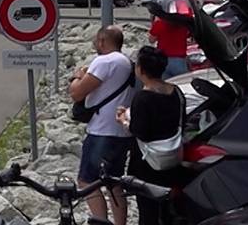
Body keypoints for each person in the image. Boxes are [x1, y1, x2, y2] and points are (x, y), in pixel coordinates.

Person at [69, 25, 135, 225]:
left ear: (102, 41)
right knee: (114, 182)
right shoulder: (127, 63)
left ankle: (100, 222)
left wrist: (76, 77)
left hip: (102, 131)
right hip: (121, 130)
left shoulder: (104, 61)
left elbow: (76, 93)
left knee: (87, 181)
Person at [116, 46, 184, 225]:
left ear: (141, 69)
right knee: (168, 210)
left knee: (148, 212)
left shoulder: (142, 97)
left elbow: (140, 132)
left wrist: (124, 120)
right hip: (171, 159)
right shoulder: (175, 91)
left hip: (147, 164)